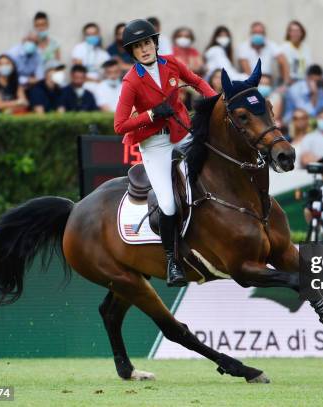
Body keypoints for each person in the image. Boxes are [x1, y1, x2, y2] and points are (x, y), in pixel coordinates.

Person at [113, 19, 216, 287]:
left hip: (181, 133)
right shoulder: (131, 81)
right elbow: (120, 124)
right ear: (132, 52)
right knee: (168, 204)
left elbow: (196, 81)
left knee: (214, 157)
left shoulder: (170, 63)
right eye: (138, 46)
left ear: (155, 43)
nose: (144, 49)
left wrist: (216, 103)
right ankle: (172, 260)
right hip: (155, 144)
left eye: (147, 42)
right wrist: (150, 114)